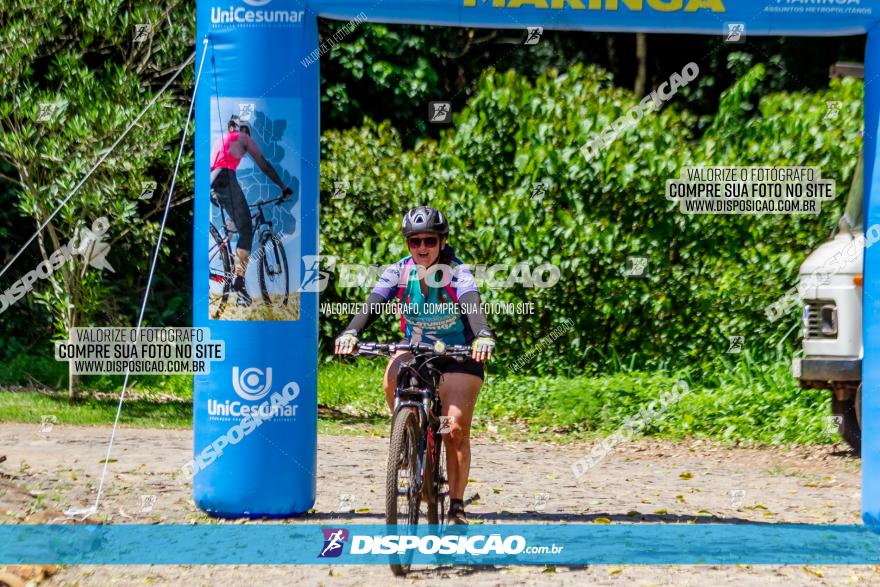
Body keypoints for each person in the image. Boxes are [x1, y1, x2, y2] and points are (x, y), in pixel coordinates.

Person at [334, 206, 496, 524]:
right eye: (415, 241)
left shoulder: (457, 272)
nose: (422, 248)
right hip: (418, 349)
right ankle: (407, 438)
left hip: (459, 355)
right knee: (393, 371)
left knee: (454, 428)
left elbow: (471, 303)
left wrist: (483, 335)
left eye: (430, 241)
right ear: (408, 244)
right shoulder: (399, 271)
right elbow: (374, 301)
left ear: (442, 241)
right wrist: (352, 331)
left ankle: (457, 507)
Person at [210, 115, 297, 306]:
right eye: (245, 129)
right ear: (236, 129)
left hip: (213, 179)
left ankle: (228, 266)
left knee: (239, 226)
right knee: (247, 230)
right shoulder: (242, 138)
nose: (247, 134)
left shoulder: (223, 140)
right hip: (224, 178)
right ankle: (238, 282)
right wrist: (283, 187)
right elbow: (264, 165)